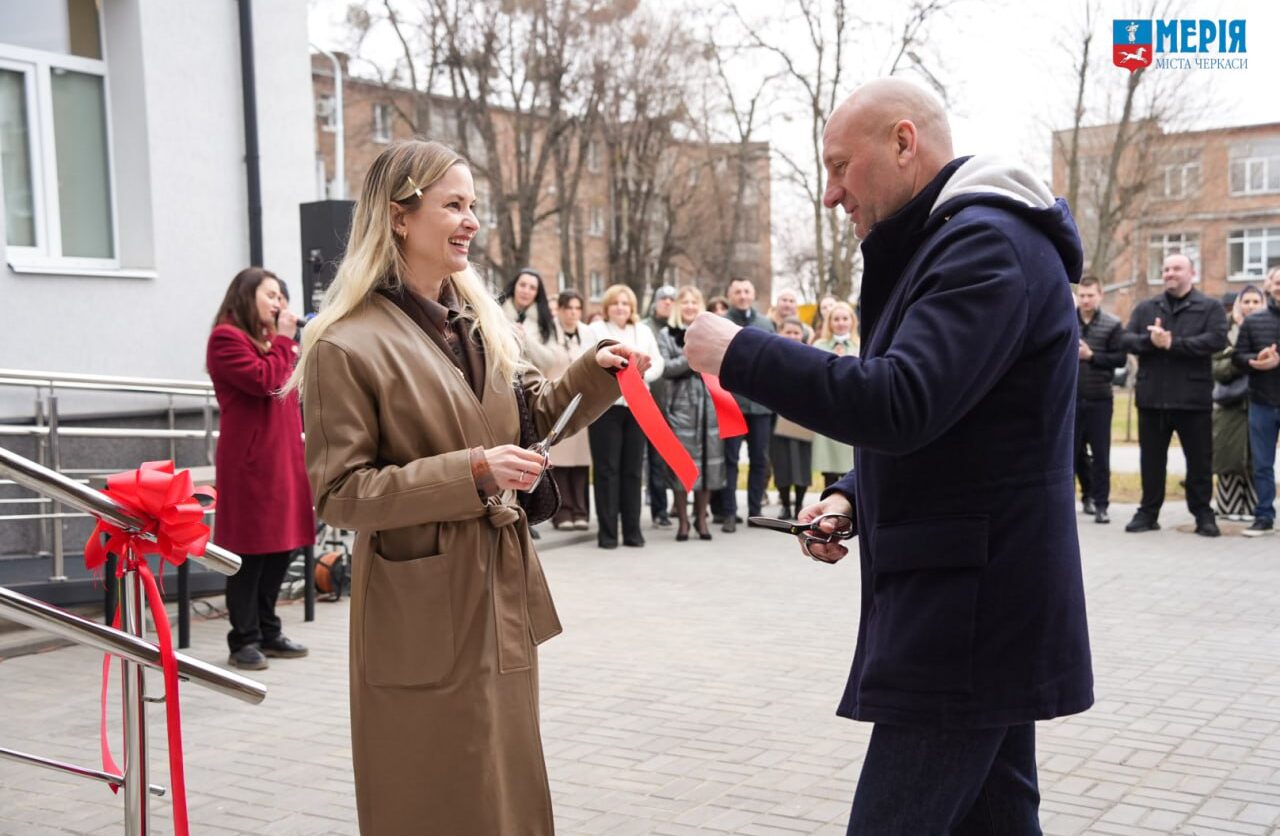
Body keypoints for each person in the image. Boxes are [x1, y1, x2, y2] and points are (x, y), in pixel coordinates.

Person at [684, 77, 1093, 835]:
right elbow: (958, 426)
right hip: (972, 602)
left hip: (968, 617)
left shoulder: (986, 245)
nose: (833, 194)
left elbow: (902, 401)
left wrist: (740, 352)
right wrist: (852, 495)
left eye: (842, 167)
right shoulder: (956, 241)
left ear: (905, 144)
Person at [289, 139, 647, 834]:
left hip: (499, 593)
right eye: (453, 205)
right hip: (422, 606)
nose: (471, 220)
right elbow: (340, 494)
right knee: (435, 786)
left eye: (473, 205)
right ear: (399, 217)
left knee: (504, 782)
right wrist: (472, 472)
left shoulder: (484, 322)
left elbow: (532, 417)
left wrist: (593, 373)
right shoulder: (345, 344)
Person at [206, 267, 315, 671]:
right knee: (249, 552)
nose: (279, 304)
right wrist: (285, 343)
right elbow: (264, 382)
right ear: (246, 295)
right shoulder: (226, 339)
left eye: (282, 298)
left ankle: (269, 630)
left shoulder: (275, 344)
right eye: (271, 295)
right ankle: (244, 639)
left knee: (283, 545)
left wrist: (287, 347)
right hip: (250, 462)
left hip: (284, 457)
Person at [1120, 254, 1228, 536]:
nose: (1169, 273)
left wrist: (1173, 343)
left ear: (1192, 272)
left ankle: (1203, 514)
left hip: (1193, 399)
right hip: (1152, 397)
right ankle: (1148, 512)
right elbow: (1125, 339)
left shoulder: (1210, 307)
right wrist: (1150, 342)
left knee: (1199, 462)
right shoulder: (1146, 307)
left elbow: (1216, 340)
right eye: (1166, 269)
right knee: (1151, 461)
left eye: (1176, 269)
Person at [583, 283, 665, 548]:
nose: (621, 308)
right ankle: (607, 534)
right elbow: (585, 361)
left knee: (632, 470)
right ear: (607, 306)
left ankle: (632, 531)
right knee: (606, 470)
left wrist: (640, 375)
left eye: (625, 303)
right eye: (616, 303)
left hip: (637, 407)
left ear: (632, 308)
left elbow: (658, 362)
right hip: (605, 408)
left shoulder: (643, 331)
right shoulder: (595, 330)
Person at [656, 285, 725, 541]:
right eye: (684, 302)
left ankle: (701, 519)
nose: (689, 306)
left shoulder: (712, 332)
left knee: (707, 462)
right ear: (676, 306)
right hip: (680, 406)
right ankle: (683, 521)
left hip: (709, 402)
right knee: (682, 465)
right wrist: (693, 358)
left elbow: (720, 362)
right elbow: (666, 367)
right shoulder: (666, 334)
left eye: (694, 302)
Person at [715, 276, 775, 533]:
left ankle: (755, 511)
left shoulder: (765, 323)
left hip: (760, 404)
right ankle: (729, 512)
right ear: (730, 295)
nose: (742, 296)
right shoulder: (721, 323)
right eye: (737, 291)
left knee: (759, 459)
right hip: (731, 403)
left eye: (746, 291)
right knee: (730, 460)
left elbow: (775, 360)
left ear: (753, 294)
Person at [1074, 274, 1126, 524]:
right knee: (1072, 454)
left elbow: (1120, 360)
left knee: (1101, 454)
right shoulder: (1066, 319)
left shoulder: (1112, 324)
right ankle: (1083, 497)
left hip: (1099, 399)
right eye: (1082, 296)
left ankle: (1101, 504)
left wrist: (1092, 356)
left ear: (1100, 295)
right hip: (1071, 400)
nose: (1085, 300)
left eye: (1090, 295)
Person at [1233, 277, 1280, 535]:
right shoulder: (1253, 321)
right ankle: (1264, 515)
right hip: (1261, 401)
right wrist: (1255, 359)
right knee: (1262, 463)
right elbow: (1238, 357)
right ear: (1270, 287)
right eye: (1277, 282)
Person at [545, 289, 594, 530]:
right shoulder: (549, 332)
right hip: (557, 399)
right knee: (560, 459)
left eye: (577, 308)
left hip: (582, 402)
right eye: (568, 308)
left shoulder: (587, 333)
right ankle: (562, 512)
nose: (573, 313)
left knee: (581, 460)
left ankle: (581, 510)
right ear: (561, 310)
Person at [1215, 286, 1264, 522]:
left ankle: (1257, 506)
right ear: (1238, 305)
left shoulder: (1270, 327)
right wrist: (1243, 358)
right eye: (1247, 301)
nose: (1251, 306)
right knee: (1229, 457)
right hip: (1229, 405)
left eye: (1256, 301)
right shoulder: (1225, 330)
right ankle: (1228, 505)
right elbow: (1217, 367)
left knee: (1258, 458)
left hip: (1261, 400)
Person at [810, 301, 858, 489]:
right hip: (827, 408)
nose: (840, 323)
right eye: (836, 319)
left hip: (851, 408)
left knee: (850, 464)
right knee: (829, 466)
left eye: (845, 319)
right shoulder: (820, 344)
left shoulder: (859, 343)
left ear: (852, 321)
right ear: (829, 322)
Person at [769, 316, 814, 519]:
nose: (793, 336)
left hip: (803, 417)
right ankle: (785, 504)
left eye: (796, 333)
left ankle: (799, 505)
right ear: (780, 333)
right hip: (777, 416)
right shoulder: (771, 355)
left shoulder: (810, 355)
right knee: (782, 463)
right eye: (789, 332)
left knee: (802, 464)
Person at [643, 285, 678, 528]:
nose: (667, 302)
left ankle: (675, 505)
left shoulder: (679, 330)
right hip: (650, 402)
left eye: (672, 299)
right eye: (663, 298)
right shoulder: (646, 328)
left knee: (671, 459)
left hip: (676, 404)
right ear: (655, 302)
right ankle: (659, 509)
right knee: (654, 460)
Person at [501, 267, 558, 373]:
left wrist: (525, 338)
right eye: (522, 285)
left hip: (529, 384)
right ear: (514, 286)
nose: (526, 291)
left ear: (537, 293)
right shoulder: (496, 313)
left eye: (532, 288)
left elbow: (550, 361)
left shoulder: (544, 321)